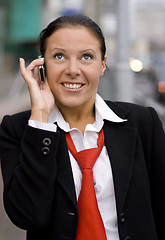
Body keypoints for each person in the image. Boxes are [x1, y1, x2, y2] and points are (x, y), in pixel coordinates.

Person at [0, 14, 165, 240]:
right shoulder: (18, 130)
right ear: (42, 66)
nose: (73, 70)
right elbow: (28, 216)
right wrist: (40, 119)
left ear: (103, 65)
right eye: (59, 56)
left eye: (86, 57)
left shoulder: (143, 122)